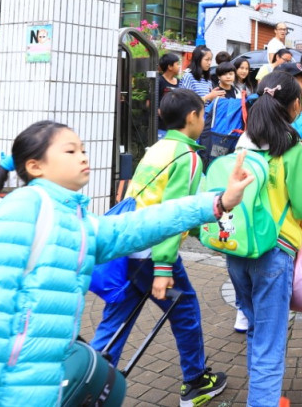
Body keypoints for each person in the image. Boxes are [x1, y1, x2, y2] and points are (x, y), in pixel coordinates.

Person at [0, 119, 253, 407]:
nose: (83, 157)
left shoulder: (72, 220)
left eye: (83, 149)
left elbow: (137, 225)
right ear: (35, 166)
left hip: (42, 387)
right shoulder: (21, 214)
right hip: (7, 392)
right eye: (70, 151)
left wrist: (218, 201)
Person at [91, 90, 229, 407]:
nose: (204, 119)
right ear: (193, 117)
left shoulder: (159, 147)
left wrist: (201, 230)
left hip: (131, 246)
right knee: (185, 311)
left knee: (116, 319)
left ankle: (89, 384)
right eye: (203, 113)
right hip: (155, 253)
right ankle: (195, 383)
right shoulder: (188, 157)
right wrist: (165, 267)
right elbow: (172, 212)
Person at [228, 71, 302, 407]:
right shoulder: (293, 148)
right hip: (275, 252)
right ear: (295, 105)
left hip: (237, 248)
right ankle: (264, 401)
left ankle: (263, 396)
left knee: (256, 329)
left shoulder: (242, 143)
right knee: (270, 341)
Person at [157, 52, 181, 138]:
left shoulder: (179, 82)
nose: (179, 66)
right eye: (177, 64)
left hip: (176, 128)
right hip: (162, 127)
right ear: (170, 67)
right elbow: (151, 103)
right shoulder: (159, 81)